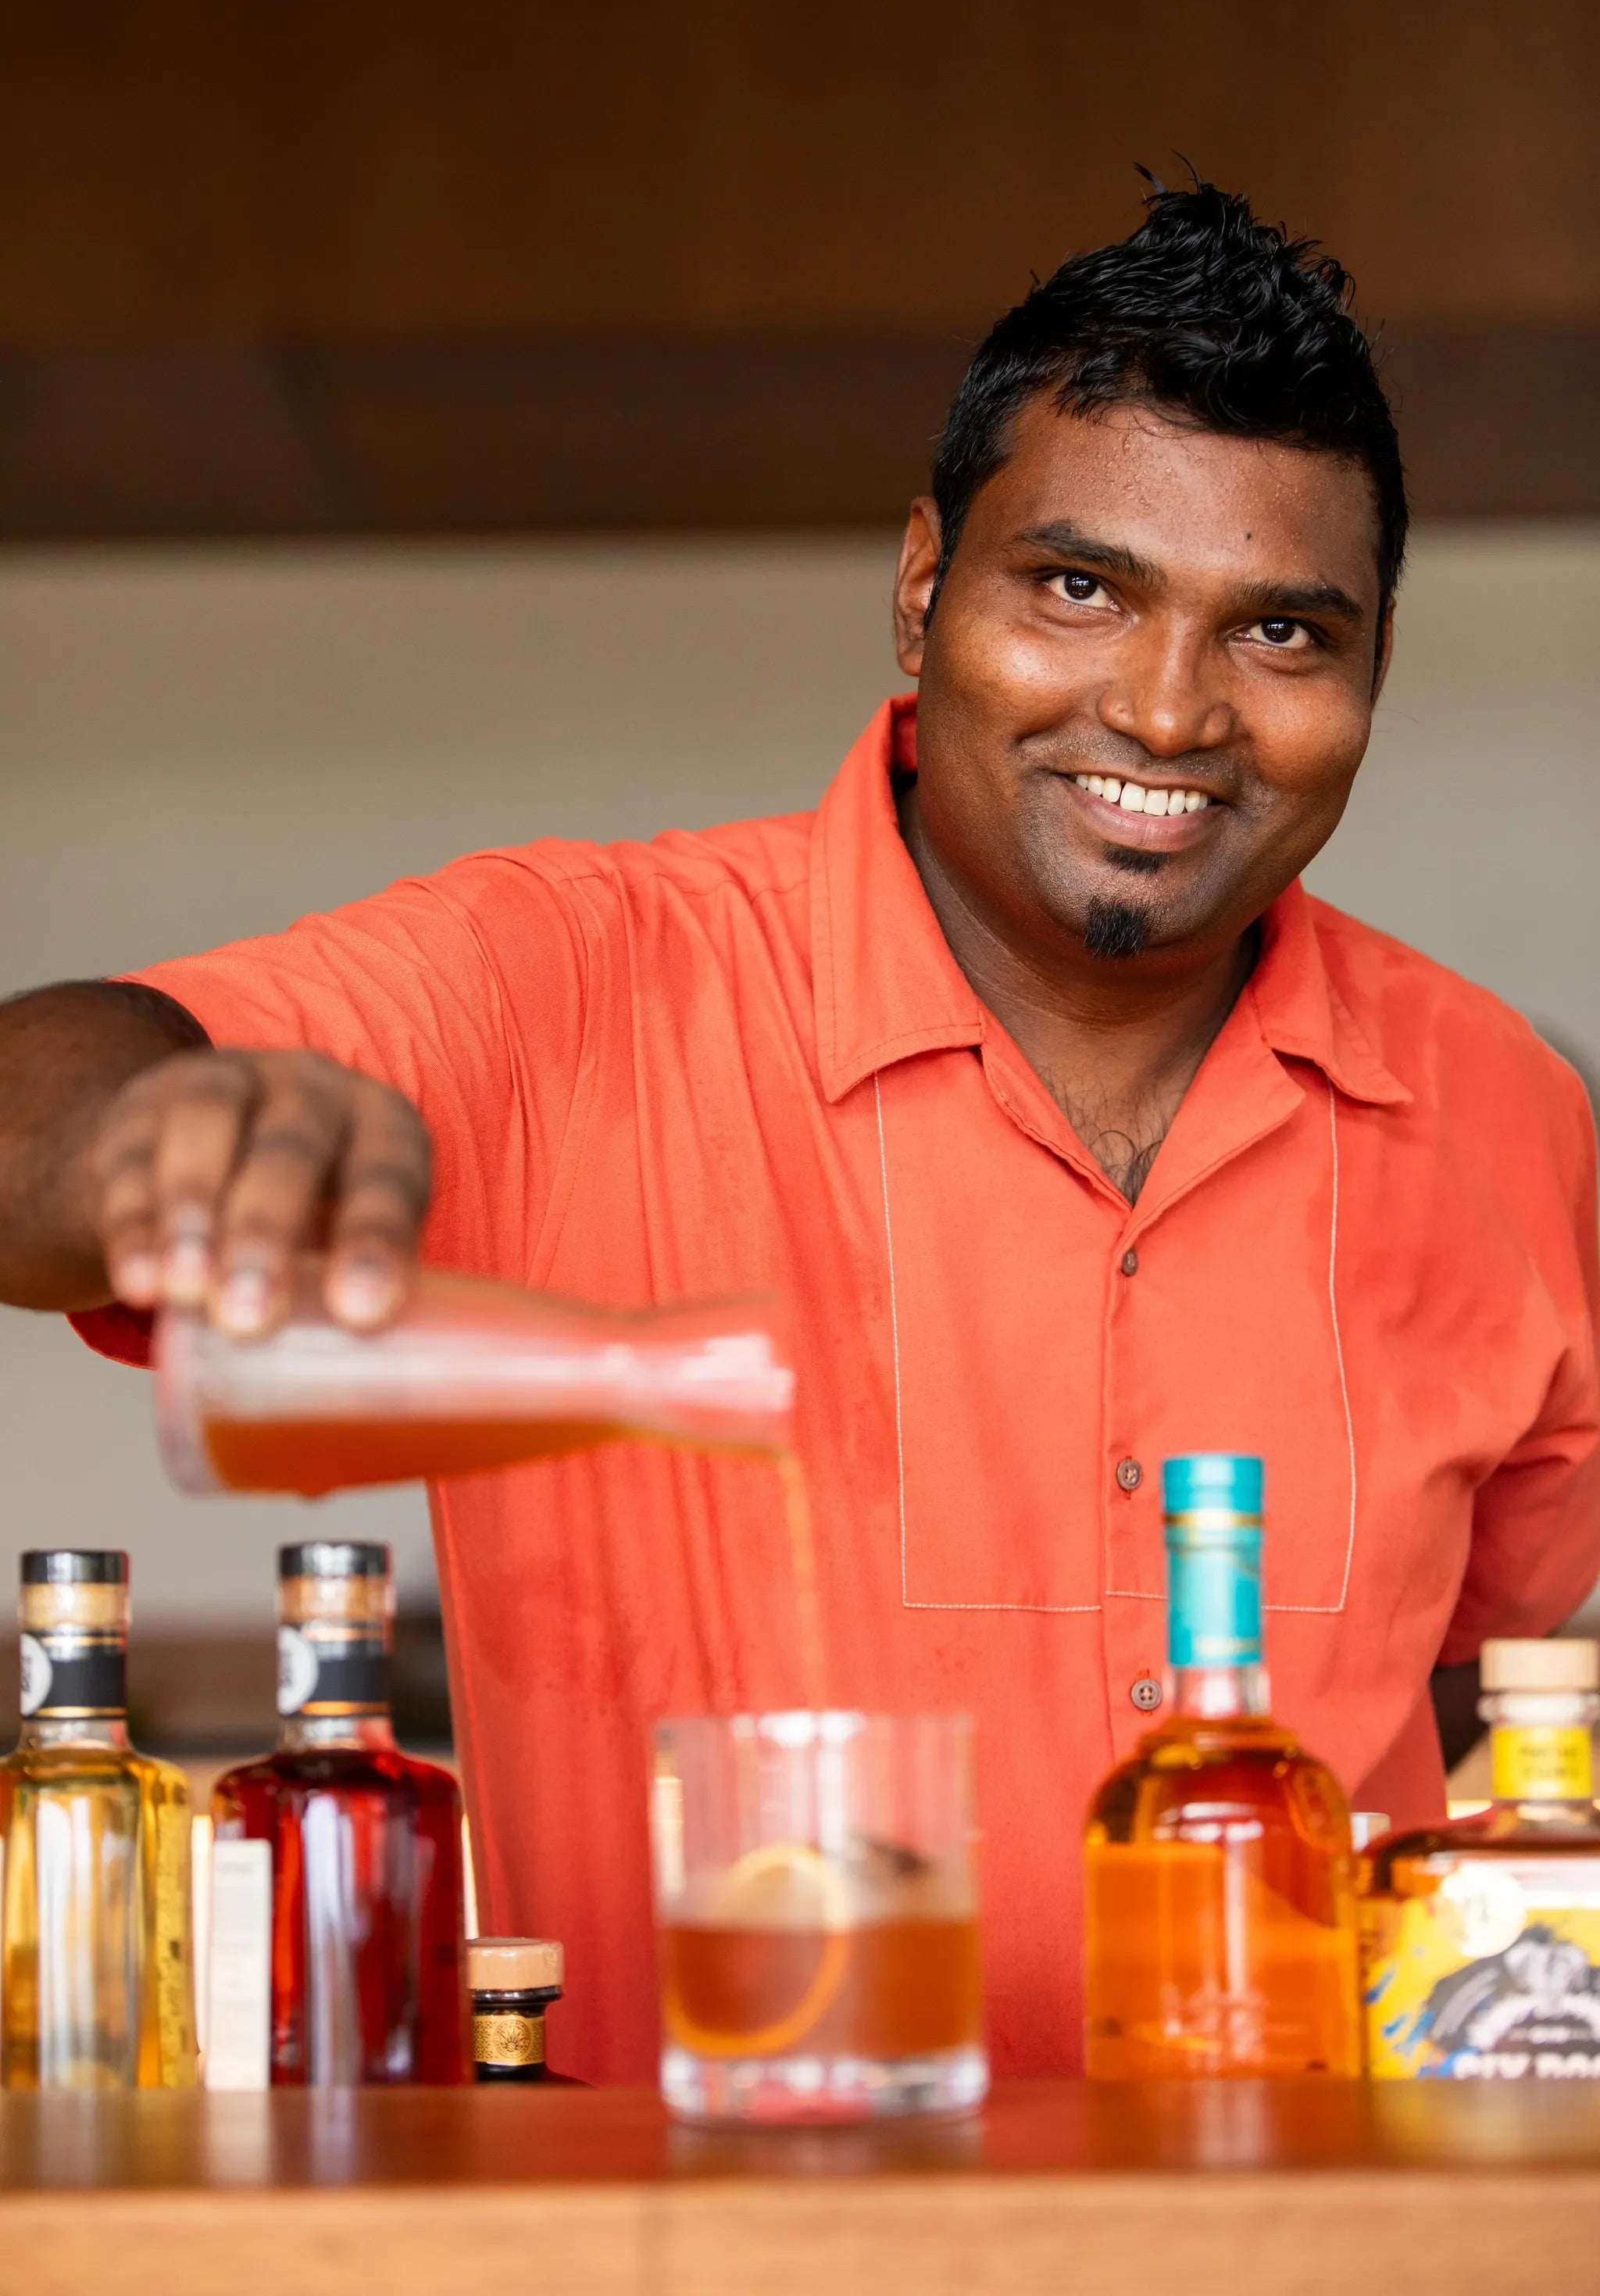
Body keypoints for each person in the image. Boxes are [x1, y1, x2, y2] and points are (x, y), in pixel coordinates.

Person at [2, 184, 1596, 2083]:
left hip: (1302, 2248)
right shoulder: (573, 982)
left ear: (1372, 670)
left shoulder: (1502, 1101)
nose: (1168, 711)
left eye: (1280, 632)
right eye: (1078, 588)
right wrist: (159, 1133)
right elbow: (50, 1105)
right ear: (924, 587)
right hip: (691, 2238)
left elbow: (1478, 1649)